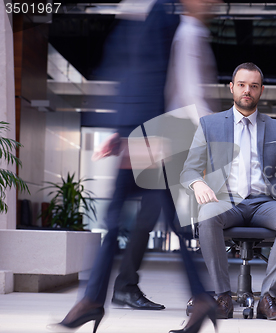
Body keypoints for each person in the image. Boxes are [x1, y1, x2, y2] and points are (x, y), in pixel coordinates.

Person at [48, 1, 216, 333]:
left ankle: (95, 300)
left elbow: (162, 79)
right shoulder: (147, 15)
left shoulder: (167, 18)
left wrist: (143, 136)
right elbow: (129, 75)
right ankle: (197, 297)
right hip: (141, 134)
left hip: (149, 137)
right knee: (159, 222)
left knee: (124, 221)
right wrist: (120, 132)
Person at [180, 62, 276, 321]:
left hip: (265, 203)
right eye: (241, 85)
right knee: (207, 214)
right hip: (225, 202)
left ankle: (268, 298)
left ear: (261, 90)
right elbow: (189, 170)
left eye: (253, 86)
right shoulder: (210, 125)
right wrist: (199, 183)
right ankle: (223, 296)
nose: (246, 91)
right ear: (232, 88)